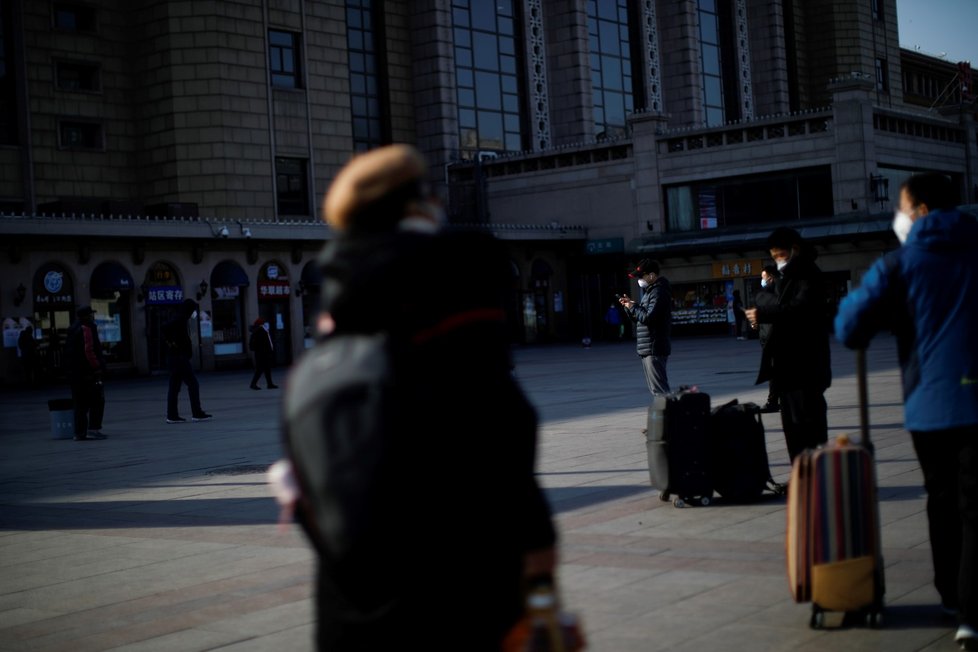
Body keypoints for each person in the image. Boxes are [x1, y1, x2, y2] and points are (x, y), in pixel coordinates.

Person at [280, 144, 557, 651]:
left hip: (348, 627)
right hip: (460, 615)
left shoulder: (318, 359)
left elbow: (310, 501)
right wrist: (541, 604)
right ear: (418, 204)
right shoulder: (452, 300)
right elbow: (510, 454)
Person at [834, 172, 978, 649]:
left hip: (930, 406)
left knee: (942, 499)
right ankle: (970, 608)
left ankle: (953, 599)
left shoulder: (901, 263)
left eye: (901, 205)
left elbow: (852, 324)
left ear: (917, 210)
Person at [744, 227, 831, 463]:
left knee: (807, 427)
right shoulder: (786, 277)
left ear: (795, 249)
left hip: (806, 366)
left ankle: (813, 476)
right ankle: (802, 475)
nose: (778, 261)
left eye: (780, 254)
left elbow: (799, 309)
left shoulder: (808, 275)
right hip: (787, 368)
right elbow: (762, 295)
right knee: (792, 428)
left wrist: (765, 312)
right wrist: (771, 304)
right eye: (774, 257)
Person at [619, 258, 672, 400]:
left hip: (654, 346)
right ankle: (666, 415)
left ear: (652, 275)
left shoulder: (658, 292)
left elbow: (648, 318)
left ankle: (670, 415)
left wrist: (634, 307)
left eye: (641, 276)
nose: (639, 280)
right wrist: (630, 307)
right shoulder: (650, 292)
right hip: (648, 347)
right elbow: (640, 318)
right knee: (656, 389)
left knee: (660, 389)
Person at [162, 298, 212, 423]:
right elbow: (164, 327)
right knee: (193, 384)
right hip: (179, 358)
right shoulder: (180, 318)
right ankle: (197, 412)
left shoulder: (181, 318)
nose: (193, 312)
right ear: (189, 309)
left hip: (175, 357)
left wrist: (172, 344)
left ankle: (172, 415)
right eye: (193, 310)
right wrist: (172, 343)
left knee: (174, 387)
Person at [64, 306, 106, 441]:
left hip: (75, 373)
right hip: (88, 373)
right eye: (90, 315)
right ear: (86, 316)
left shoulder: (72, 329)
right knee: (97, 400)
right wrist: (97, 367)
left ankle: (79, 432)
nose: (92, 317)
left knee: (79, 404)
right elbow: (89, 351)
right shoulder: (86, 328)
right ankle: (93, 429)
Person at [754, 265, 780, 413]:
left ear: (770, 277)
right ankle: (778, 399)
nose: (762, 280)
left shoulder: (776, 291)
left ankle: (773, 401)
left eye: (763, 277)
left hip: (773, 337)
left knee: (774, 371)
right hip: (768, 335)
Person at [248, 318, 278, 390]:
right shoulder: (260, 331)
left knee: (267, 369)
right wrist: (267, 350)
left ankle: (269, 384)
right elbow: (262, 343)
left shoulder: (261, 330)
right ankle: (253, 384)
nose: (265, 324)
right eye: (264, 323)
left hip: (263, 353)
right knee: (260, 369)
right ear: (261, 324)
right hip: (262, 353)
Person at [17, 319, 39, 388]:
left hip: (25, 356)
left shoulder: (22, 337)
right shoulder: (29, 337)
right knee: (33, 370)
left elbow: (21, 346)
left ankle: (29, 383)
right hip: (30, 356)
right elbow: (34, 345)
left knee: (27, 371)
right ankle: (33, 383)